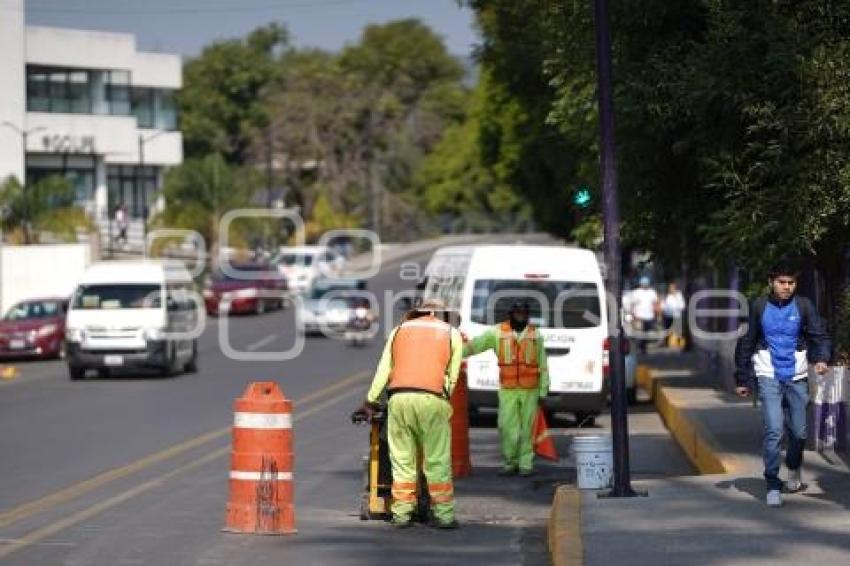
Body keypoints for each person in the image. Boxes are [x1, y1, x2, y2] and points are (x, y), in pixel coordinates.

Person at [355, 298, 464, 529]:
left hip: (400, 400)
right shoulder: (451, 334)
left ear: (415, 313)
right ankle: (444, 516)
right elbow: (452, 376)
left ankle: (402, 515)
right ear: (439, 314)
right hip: (432, 401)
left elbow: (384, 370)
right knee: (436, 460)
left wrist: (370, 401)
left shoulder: (399, 331)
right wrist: (441, 396)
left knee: (403, 461)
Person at [734, 261, 831, 507]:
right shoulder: (759, 306)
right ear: (771, 282)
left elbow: (818, 334)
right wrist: (742, 378)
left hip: (797, 376)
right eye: (782, 282)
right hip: (768, 374)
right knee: (774, 429)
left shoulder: (804, 306)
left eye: (791, 283)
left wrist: (820, 358)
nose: (787, 287)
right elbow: (747, 342)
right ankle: (772, 483)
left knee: (799, 433)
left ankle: (794, 466)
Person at [464, 299, 549, 477]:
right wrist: (455, 351)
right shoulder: (497, 333)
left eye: (524, 314)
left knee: (528, 428)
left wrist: (543, 390)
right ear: (511, 315)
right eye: (518, 314)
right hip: (508, 389)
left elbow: (542, 365)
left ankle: (526, 464)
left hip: (530, 390)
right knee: (507, 427)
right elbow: (476, 345)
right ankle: (510, 462)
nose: (521, 317)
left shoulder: (536, 335)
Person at [630, 276, 659, 354]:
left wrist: (657, 313)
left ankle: (643, 348)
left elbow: (655, 303)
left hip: (649, 316)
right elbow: (631, 304)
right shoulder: (636, 292)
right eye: (643, 284)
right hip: (639, 316)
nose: (645, 285)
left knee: (646, 333)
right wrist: (633, 314)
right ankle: (640, 348)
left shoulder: (652, 292)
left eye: (646, 284)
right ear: (641, 284)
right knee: (639, 333)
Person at [661, 282, 686, 347]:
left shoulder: (679, 295)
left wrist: (675, 298)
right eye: (670, 288)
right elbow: (663, 305)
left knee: (677, 330)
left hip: (676, 315)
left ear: (675, 288)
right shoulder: (666, 296)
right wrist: (663, 309)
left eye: (672, 288)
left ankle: (679, 343)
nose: (671, 289)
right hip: (667, 315)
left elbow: (682, 305)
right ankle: (666, 343)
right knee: (667, 330)